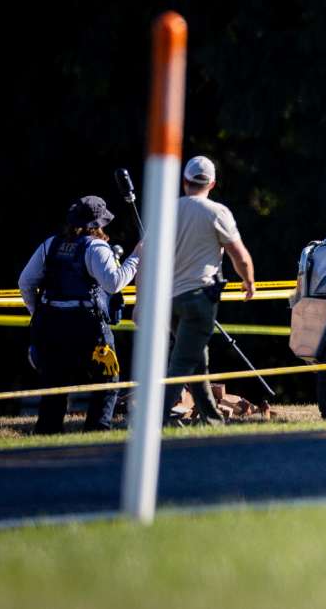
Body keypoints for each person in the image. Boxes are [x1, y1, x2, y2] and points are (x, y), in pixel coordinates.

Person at [19, 196, 141, 434]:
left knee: (55, 383)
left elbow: (25, 282)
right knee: (107, 380)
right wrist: (136, 256)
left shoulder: (51, 244)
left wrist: (39, 314)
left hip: (51, 325)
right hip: (88, 326)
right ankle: (97, 431)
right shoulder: (96, 247)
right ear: (99, 223)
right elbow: (113, 282)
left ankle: (47, 432)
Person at [161, 156, 256, 426]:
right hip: (199, 299)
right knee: (182, 362)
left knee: (196, 359)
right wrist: (248, 281)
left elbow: (146, 254)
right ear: (212, 184)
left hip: (169, 300)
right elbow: (240, 256)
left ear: (185, 181)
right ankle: (153, 419)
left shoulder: (166, 210)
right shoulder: (217, 212)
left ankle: (212, 420)